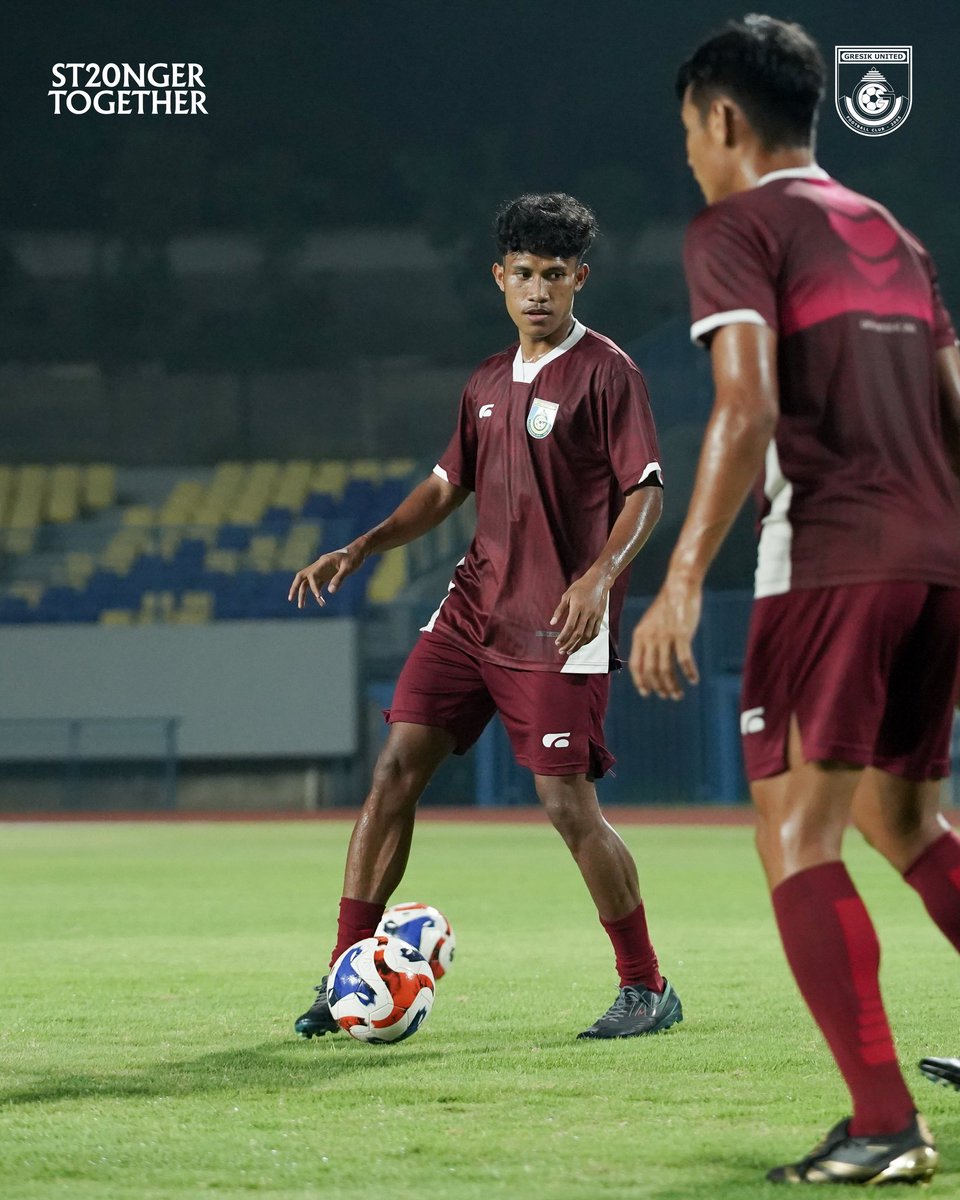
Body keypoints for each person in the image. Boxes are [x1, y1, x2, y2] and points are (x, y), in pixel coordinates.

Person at [630, 14, 960, 1186]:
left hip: (827, 557)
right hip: (936, 557)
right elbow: (955, 406)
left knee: (795, 835)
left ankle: (883, 1124)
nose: (687, 156)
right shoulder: (897, 236)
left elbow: (747, 407)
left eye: (687, 132)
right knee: (901, 821)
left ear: (724, 120)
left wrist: (677, 582)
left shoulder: (737, 224)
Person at [289, 192, 681, 1041]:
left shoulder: (609, 372)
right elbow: (443, 489)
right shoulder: (485, 383)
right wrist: (360, 547)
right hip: (472, 611)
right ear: (498, 278)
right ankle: (344, 971)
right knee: (395, 771)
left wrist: (599, 577)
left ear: (579, 278)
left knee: (566, 806)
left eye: (554, 275)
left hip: (558, 624)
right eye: (523, 274)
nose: (537, 290)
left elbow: (646, 490)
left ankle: (647, 987)